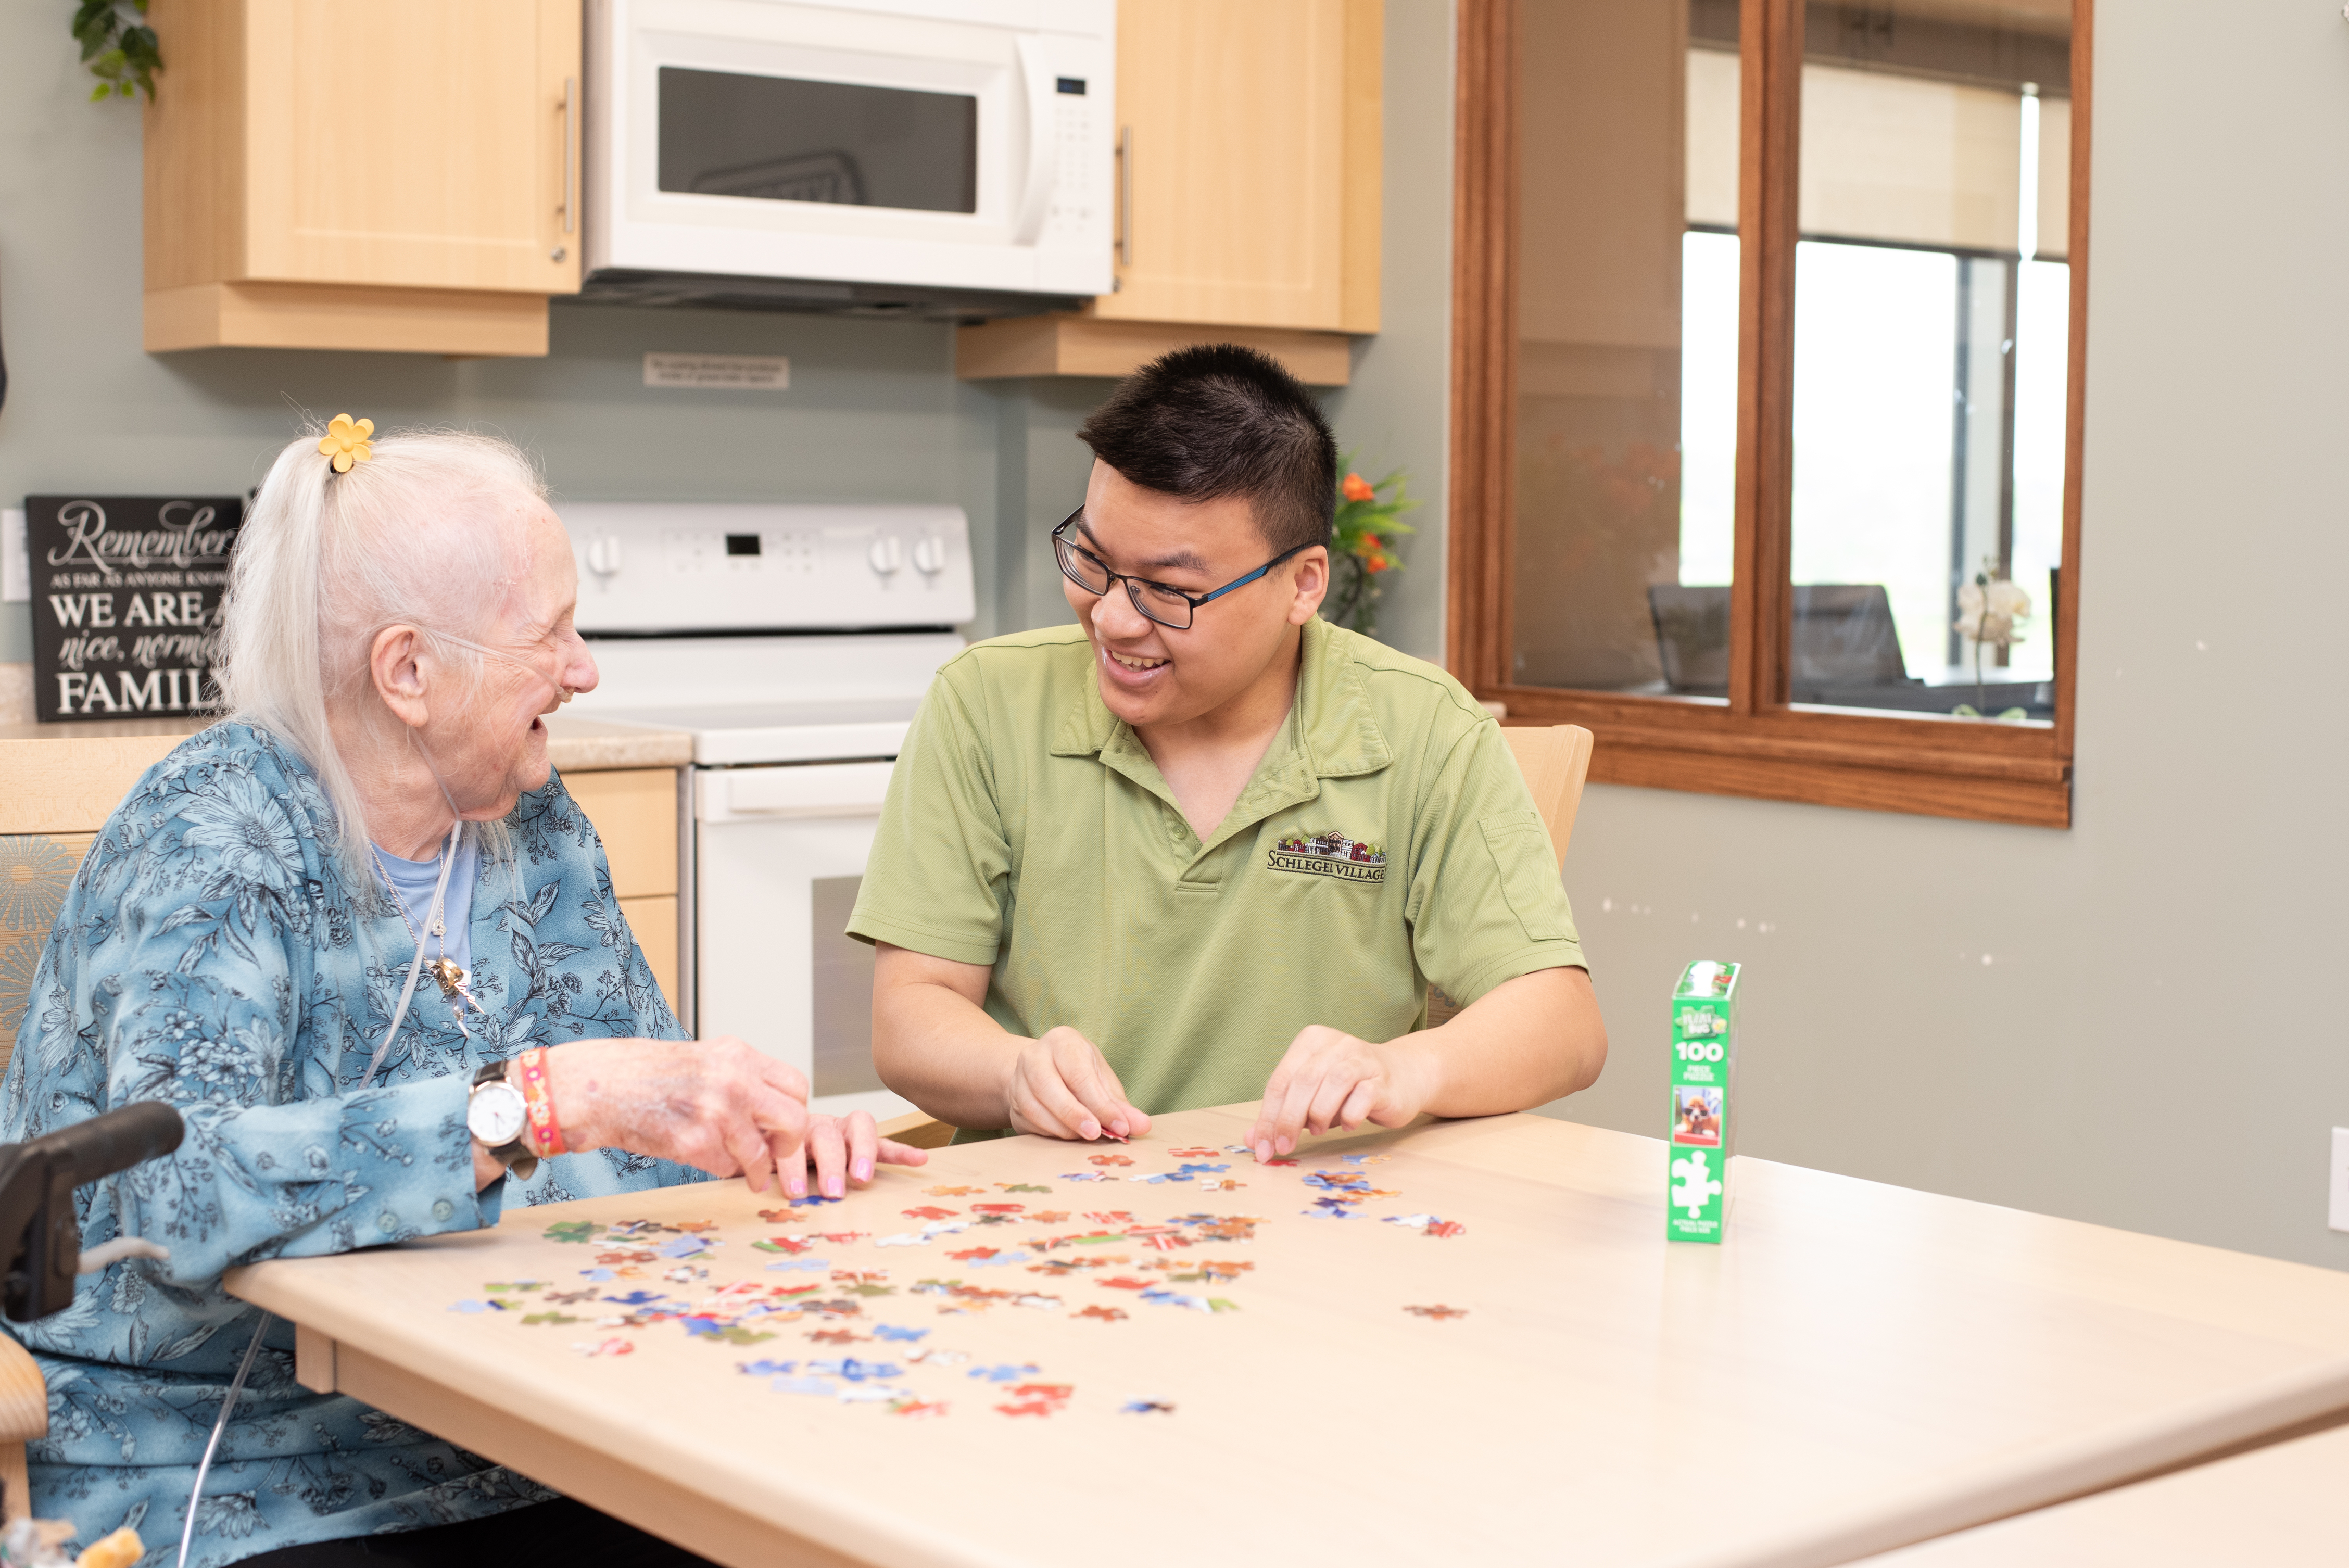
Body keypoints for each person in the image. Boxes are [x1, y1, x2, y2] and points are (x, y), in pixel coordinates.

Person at [1, 421, 926, 1566]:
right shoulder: (215, 839)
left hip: (530, 1424)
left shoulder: (530, 823)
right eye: (549, 634)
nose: (584, 670)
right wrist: (537, 1104)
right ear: (408, 673)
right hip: (227, 1464)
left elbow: (638, 1116)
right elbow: (175, 1195)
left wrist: (760, 1137)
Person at [852, 347, 1608, 1158]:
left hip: (1316, 1207)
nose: (1112, 619)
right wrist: (1013, 1073)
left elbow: (1563, 1024)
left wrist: (1403, 1070)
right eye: (1093, 561)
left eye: (1169, 591)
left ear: (1303, 585)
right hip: (1042, 1210)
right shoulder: (985, 703)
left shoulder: (1423, 729)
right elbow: (910, 1015)